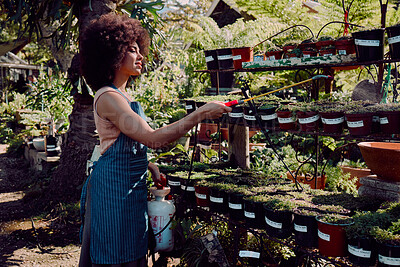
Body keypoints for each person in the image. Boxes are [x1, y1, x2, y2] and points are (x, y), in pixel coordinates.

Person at [78, 13, 231, 266]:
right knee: (115, 252)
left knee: (133, 248)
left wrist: (148, 165)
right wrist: (201, 112)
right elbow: (153, 139)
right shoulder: (108, 97)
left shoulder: (121, 95)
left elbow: (119, 141)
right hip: (113, 190)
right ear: (112, 54)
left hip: (129, 186)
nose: (141, 57)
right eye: (132, 50)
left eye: (140, 50)